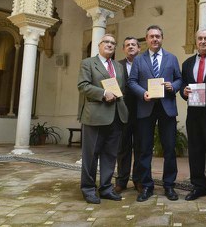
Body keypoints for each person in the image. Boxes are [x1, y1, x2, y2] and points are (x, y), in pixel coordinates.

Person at [129, 25, 182, 202]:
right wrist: (142, 93)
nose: (155, 39)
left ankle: (169, 186)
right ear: (147, 38)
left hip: (167, 108)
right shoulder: (138, 60)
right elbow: (132, 81)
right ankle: (146, 186)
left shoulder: (172, 58)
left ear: (162, 38)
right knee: (144, 149)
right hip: (146, 107)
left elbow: (179, 79)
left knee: (169, 148)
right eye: (151, 36)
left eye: (158, 36)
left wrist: (173, 86)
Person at [77, 34, 128, 204]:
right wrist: (103, 93)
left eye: (113, 43)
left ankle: (106, 188)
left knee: (110, 155)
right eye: (106, 42)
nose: (110, 45)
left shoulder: (118, 66)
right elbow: (83, 86)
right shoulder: (88, 63)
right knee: (90, 156)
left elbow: (122, 89)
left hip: (116, 116)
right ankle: (88, 189)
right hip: (95, 116)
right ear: (99, 45)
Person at [180, 28, 206, 204]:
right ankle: (198, 185)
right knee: (195, 150)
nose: (203, 41)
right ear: (195, 41)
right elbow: (183, 85)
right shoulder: (187, 63)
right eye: (200, 38)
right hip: (194, 113)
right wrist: (184, 91)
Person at [115, 37, 142, 194]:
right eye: (127, 45)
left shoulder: (145, 64)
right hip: (122, 112)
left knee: (140, 148)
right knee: (122, 149)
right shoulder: (117, 65)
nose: (131, 47)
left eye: (133, 45)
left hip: (141, 112)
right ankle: (122, 181)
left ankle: (138, 180)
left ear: (139, 48)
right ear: (123, 49)